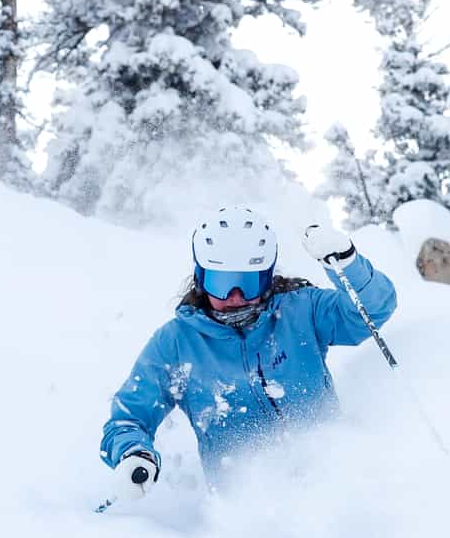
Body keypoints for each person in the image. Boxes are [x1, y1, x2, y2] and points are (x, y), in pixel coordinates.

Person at [99, 206, 397, 502]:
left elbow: (371, 312)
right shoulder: (177, 343)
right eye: (222, 283)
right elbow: (129, 416)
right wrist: (133, 454)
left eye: (249, 281)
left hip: (339, 489)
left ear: (267, 277)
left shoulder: (301, 311)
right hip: (247, 517)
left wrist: (347, 264)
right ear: (201, 278)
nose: (236, 296)